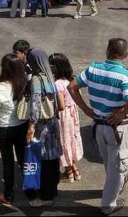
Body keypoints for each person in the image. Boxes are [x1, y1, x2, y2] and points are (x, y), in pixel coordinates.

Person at [68, 38, 128, 216]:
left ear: (107, 52)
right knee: (118, 166)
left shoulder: (93, 69)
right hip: (117, 128)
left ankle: (111, 189)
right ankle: (108, 204)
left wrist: (86, 109)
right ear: (126, 54)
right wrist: (122, 114)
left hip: (98, 125)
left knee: (109, 162)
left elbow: (72, 86)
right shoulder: (125, 75)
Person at [25, 47, 64, 207]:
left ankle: (46, 196)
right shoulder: (50, 75)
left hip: (42, 125)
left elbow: (35, 104)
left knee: (43, 160)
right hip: (53, 122)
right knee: (53, 158)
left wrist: (31, 125)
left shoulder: (36, 79)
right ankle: (52, 190)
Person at [0, 53, 29, 206]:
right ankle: (30, 190)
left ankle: (8, 195)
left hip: (4, 128)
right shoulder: (24, 83)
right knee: (23, 159)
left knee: (7, 163)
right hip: (22, 126)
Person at [49, 53, 83, 183]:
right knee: (72, 139)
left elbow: (61, 105)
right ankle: (75, 170)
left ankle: (68, 172)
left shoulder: (57, 84)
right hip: (73, 114)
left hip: (63, 117)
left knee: (64, 140)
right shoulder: (72, 80)